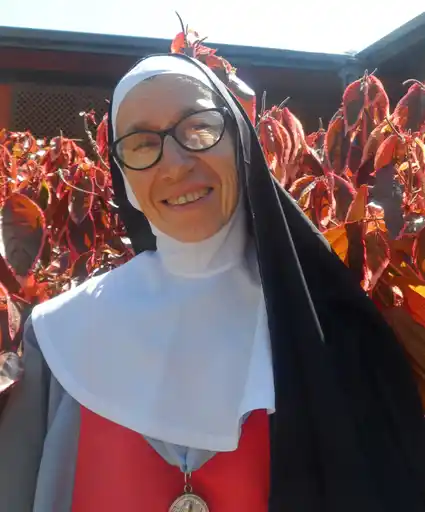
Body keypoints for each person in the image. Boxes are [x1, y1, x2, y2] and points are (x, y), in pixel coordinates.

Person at [0, 53, 424, 512]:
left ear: (240, 143)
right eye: (141, 144)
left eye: (199, 128)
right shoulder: (60, 337)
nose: (176, 164)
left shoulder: (334, 334)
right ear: (123, 177)